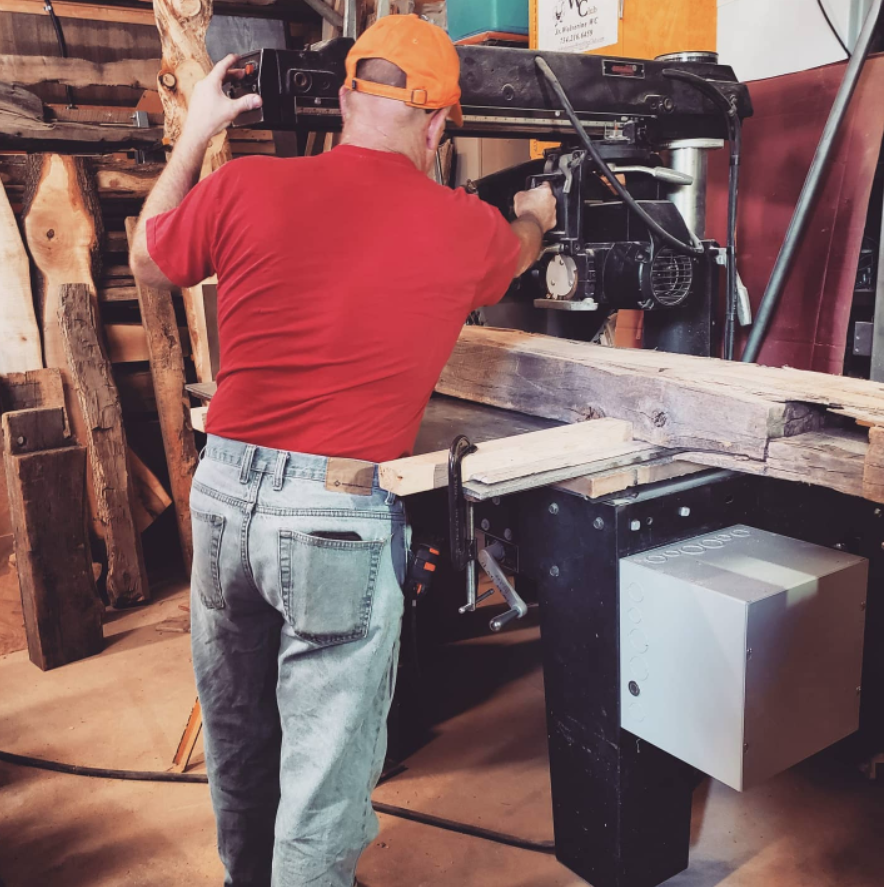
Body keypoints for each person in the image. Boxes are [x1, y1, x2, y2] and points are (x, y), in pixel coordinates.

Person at [130, 13, 556, 887]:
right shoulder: (463, 226)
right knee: (326, 772)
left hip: (221, 493)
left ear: (350, 95)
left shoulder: (246, 186)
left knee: (241, 731)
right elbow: (514, 259)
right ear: (439, 126)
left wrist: (199, 128)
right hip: (330, 515)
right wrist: (538, 216)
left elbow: (146, 254)